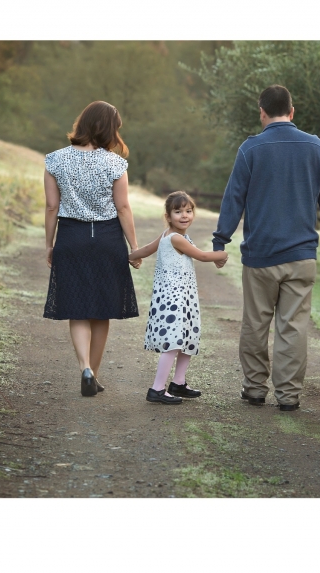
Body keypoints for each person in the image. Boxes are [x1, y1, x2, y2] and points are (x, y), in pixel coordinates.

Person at [212, 85, 320, 412]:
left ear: (262, 112)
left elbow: (233, 198)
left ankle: (255, 389)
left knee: (255, 324)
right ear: (292, 111)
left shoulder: (250, 149)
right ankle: (288, 396)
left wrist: (220, 240)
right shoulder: (316, 147)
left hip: (260, 258)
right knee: (293, 328)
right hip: (301, 257)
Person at [43, 101, 142, 397]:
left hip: (71, 238)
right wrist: (134, 247)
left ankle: (85, 368)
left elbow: (51, 206)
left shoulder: (55, 160)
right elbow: (123, 208)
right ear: (108, 129)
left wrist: (49, 244)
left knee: (77, 308)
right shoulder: (115, 164)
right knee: (102, 311)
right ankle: (93, 375)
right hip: (107, 239)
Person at [129, 191, 228, 404]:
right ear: (168, 216)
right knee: (173, 343)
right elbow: (202, 256)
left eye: (188, 211)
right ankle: (156, 389)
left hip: (184, 298)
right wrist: (222, 255)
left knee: (187, 338)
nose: (184, 215)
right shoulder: (174, 238)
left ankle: (178, 383)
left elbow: (146, 250)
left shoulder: (170, 235)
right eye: (178, 211)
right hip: (172, 299)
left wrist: (133, 256)